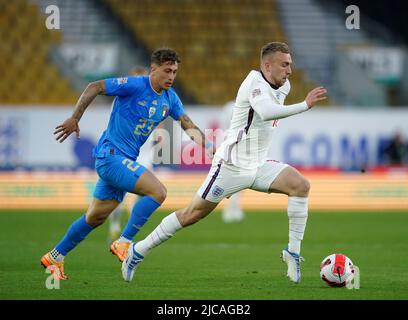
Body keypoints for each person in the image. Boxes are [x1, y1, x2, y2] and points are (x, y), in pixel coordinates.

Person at [121, 42, 327, 284]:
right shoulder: (254, 83)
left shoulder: (284, 85)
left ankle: (292, 252)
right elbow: (266, 112)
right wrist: (305, 105)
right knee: (191, 215)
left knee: (300, 185)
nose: (290, 70)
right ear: (267, 65)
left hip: (258, 165)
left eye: (290, 65)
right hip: (230, 166)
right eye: (284, 65)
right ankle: (138, 251)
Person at [41, 48, 215, 280]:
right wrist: (75, 118)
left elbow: (187, 123)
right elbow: (94, 86)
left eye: (174, 71)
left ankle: (55, 256)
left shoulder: (170, 98)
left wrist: (212, 149)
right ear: (153, 69)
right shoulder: (134, 85)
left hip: (123, 161)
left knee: (95, 217)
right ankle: (124, 242)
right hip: (111, 156)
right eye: (167, 71)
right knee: (158, 191)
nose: (171, 76)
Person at [107, 66, 151, 242]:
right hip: (127, 153)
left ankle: (119, 228)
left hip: (144, 154)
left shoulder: (150, 99)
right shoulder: (126, 99)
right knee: (125, 194)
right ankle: (120, 230)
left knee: (145, 193)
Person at [220, 101, 245, 223]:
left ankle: (233, 209)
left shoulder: (229, 107)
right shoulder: (243, 106)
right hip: (237, 153)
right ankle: (232, 210)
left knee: (236, 184)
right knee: (237, 183)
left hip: (233, 151)